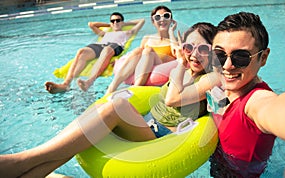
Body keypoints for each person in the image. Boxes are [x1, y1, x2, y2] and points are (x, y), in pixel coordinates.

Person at [0, 22, 218, 177]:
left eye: (202, 48)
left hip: (162, 138)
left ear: (213, 51)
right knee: (88, 131)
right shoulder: (186, 70)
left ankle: (23, 159)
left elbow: (171, 99)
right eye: (189, 47)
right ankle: (32, 172)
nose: (193, 54)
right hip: (146, 125)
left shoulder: (212, 77)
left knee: (117, 106)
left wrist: (180, 62)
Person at [208, 12, 285, 177]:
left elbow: (281, 109)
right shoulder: (223, 87)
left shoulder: (255, 103)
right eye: (219, 55)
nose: (227, 66)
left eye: (241, 57)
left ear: (263, 57)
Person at [44, 12, 145, 94]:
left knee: (106, 51)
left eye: (117, 20)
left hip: (114, 46)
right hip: (100, 45)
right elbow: (91, 24)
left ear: (122, 22)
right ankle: (65, 84)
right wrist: (110, 25)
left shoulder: (127, 32)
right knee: (81, 51)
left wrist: (123, 24)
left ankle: (89, 82)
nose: (115, 22)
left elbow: (141, 21)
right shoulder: (105, 33)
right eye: (112, 21)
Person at [105, 5, 178, 94]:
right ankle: (112, 87)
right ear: (153, 21)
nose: (162, 20)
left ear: (171, 20)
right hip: (146, 68)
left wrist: (171, 33)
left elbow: (179, 56)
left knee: (148, 50)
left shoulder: (176, 40)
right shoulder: (147, 38)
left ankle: (136, 89)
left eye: (166, 16)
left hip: (162, 69)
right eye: (157, 17)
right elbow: (137, 58)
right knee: (138, 50)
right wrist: (119, 62)